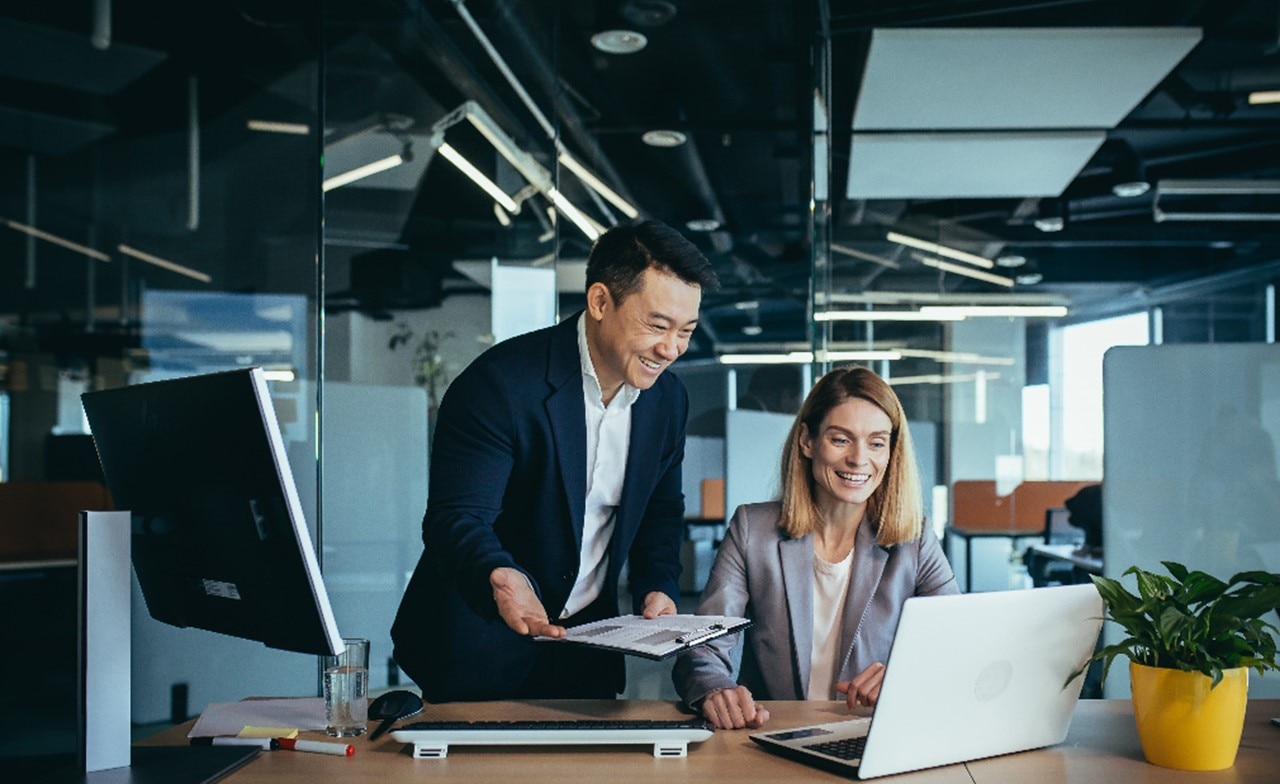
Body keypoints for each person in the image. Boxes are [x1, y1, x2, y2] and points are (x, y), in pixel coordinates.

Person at [391, 219, 719, 703]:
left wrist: (657, 583)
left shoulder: (667, 400)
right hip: (477, 642)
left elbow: (660, 509)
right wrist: (501, 577)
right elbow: (456, 518)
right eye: (657, 325)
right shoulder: (501, 385)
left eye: (685, 331)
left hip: (586, 650)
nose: (670, 349)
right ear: (600, 301)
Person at [672, 365, 958, 729]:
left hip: (872, 734)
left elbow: (953, 646)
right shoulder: (752, 530)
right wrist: (715, 689)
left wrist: (906, 676)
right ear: (807, 441)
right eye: (840, 439)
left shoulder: (914, 540)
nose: (859, 459)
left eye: (876, 442)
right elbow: (703, 647)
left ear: (891, 452)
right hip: (774, 736)